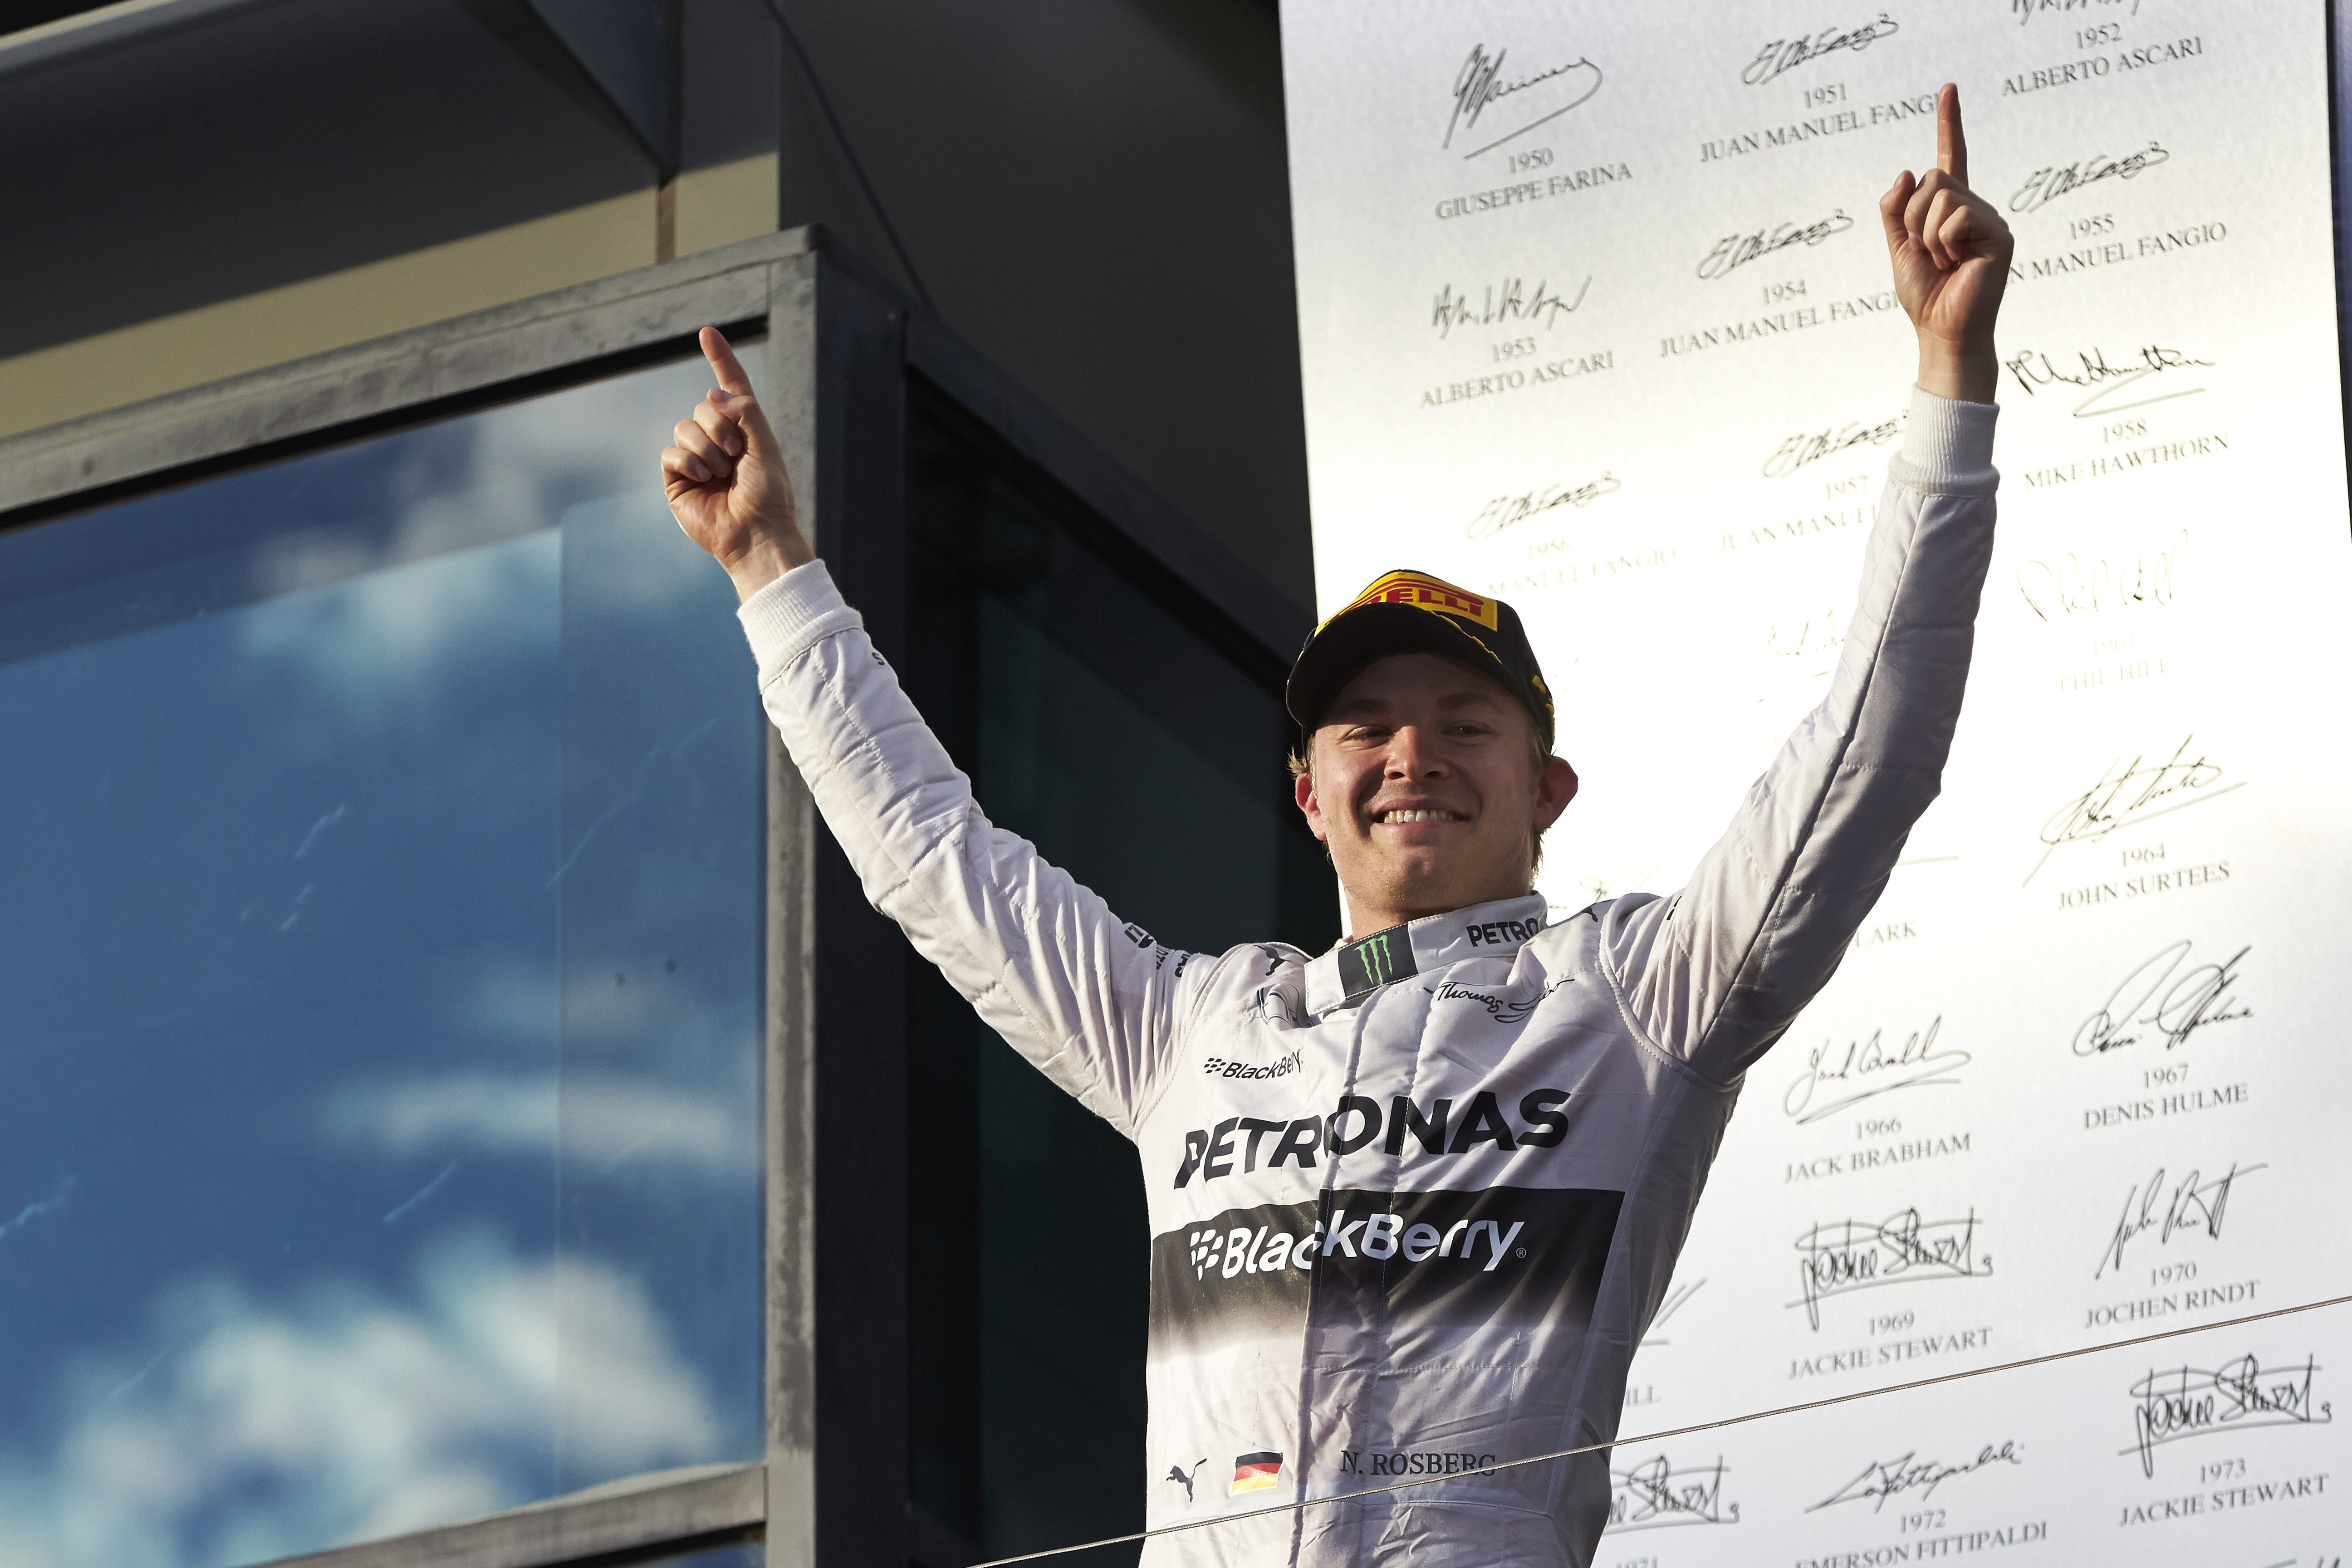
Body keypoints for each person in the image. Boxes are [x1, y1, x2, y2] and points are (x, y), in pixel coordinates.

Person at [662, 83, 2010, 1568]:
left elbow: (1870, 753)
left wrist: (1949, 384)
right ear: (1309, 794)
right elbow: (937, 862)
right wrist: (774, 574)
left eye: (1466, 723)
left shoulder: (1636, 1000)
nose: (1411, 753)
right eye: (1365, 727)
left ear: (1550, 793)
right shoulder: (1189, 1031)